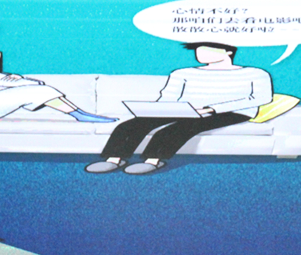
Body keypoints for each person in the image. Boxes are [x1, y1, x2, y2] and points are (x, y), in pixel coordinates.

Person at [85, 41, 273, 175]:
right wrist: (157, 110)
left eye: (207, 49)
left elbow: (261, 98)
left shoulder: (255, 73)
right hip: (185, 109)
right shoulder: (183, 73)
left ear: (228, 52)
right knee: (131, 125)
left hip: (232, 112)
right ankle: (114, 159)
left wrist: (211, 109)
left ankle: (153, 161)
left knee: (179, 128)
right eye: (198, 50)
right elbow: (168, 96)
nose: (200, 53)